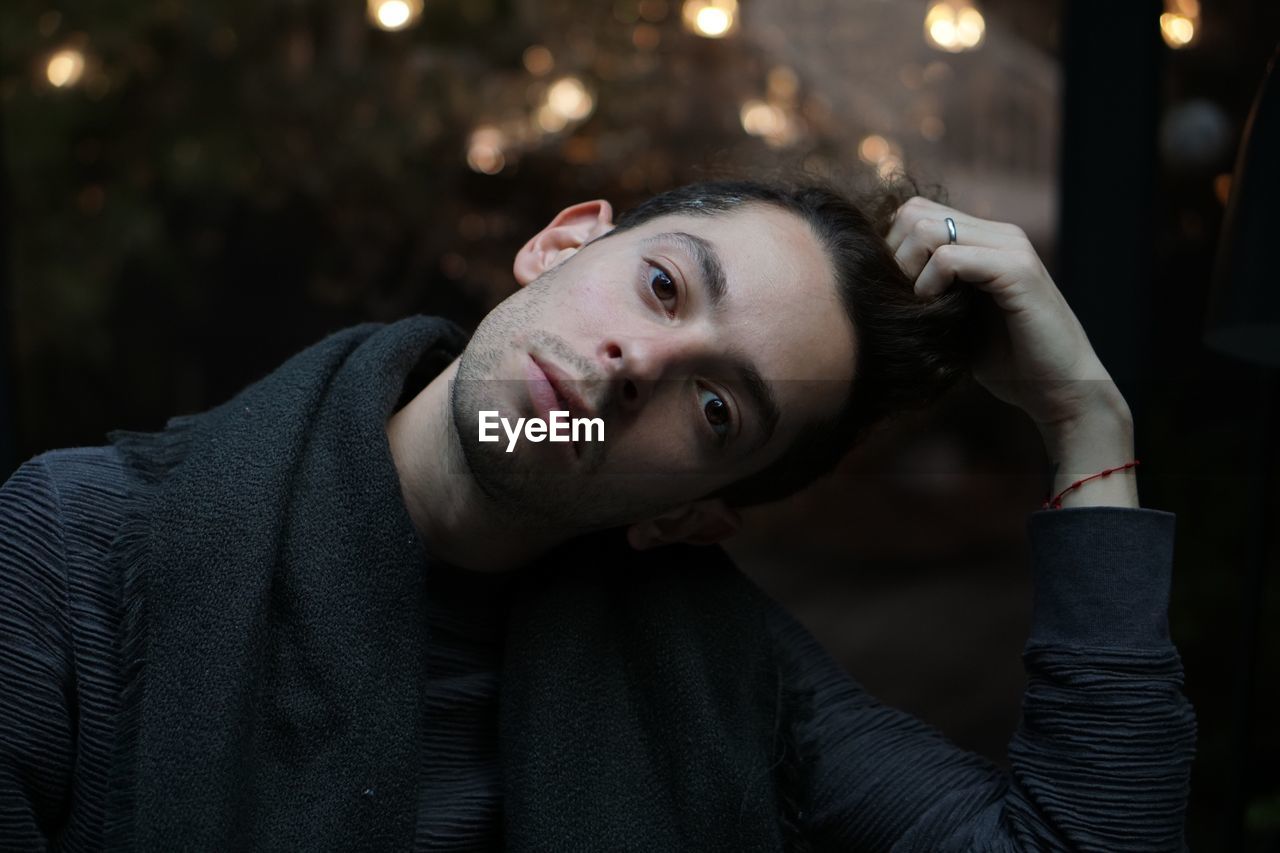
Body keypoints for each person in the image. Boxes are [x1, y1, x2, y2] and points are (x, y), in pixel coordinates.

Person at [0, 178, 1196, 851]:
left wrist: (1084, 420)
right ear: (559, 242)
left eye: (715, 406)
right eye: (664, 284)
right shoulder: (78, 548)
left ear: (687, 518)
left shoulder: (730, 681)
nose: (637, 364)